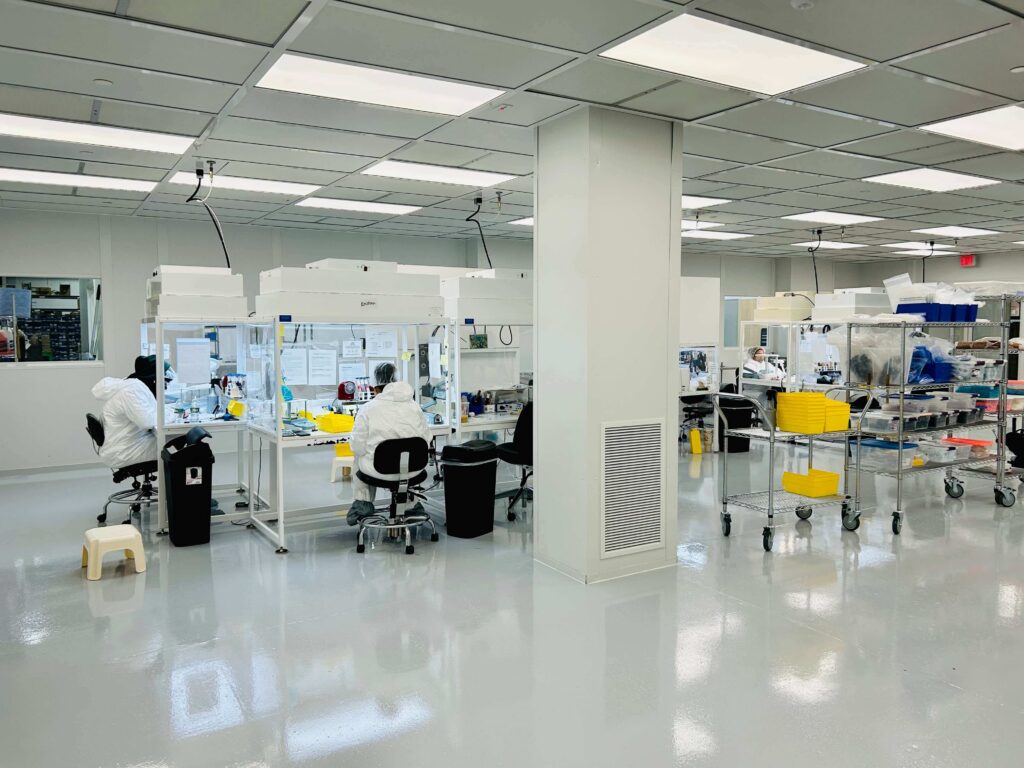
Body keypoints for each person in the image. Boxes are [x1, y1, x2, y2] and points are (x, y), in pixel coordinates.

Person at [347, 362, 431, 524]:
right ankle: (411, 505)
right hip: (414, 470)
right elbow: (427, 439)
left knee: (359, 457)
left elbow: (357, 446)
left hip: (379, 471)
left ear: (375, 388)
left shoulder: (368, 409)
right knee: (405, 459)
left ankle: (362, 505)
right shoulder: (414, 406)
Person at [91, 356, 168, 469]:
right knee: (175, 446)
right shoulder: (132, 391)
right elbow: (147, 422)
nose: (165, 384)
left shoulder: (131, 385)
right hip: (123, 451)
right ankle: (178, 479)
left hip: (120, 445)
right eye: (164, 379)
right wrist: (169, 415)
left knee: (173, 442)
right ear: (154, 378)